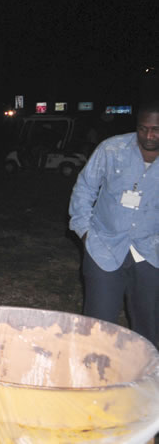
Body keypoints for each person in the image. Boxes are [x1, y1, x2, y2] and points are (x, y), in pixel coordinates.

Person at [69, 100, 158, 348]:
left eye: (156, 129)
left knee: (149, 329)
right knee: (97, 328)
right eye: (143, 128)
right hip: (104, 248)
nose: (148, 135)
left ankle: (147, 382)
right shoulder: (112, 149)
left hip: (151, 253)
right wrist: (85, 232)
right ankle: (93, 377)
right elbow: (84, 189)